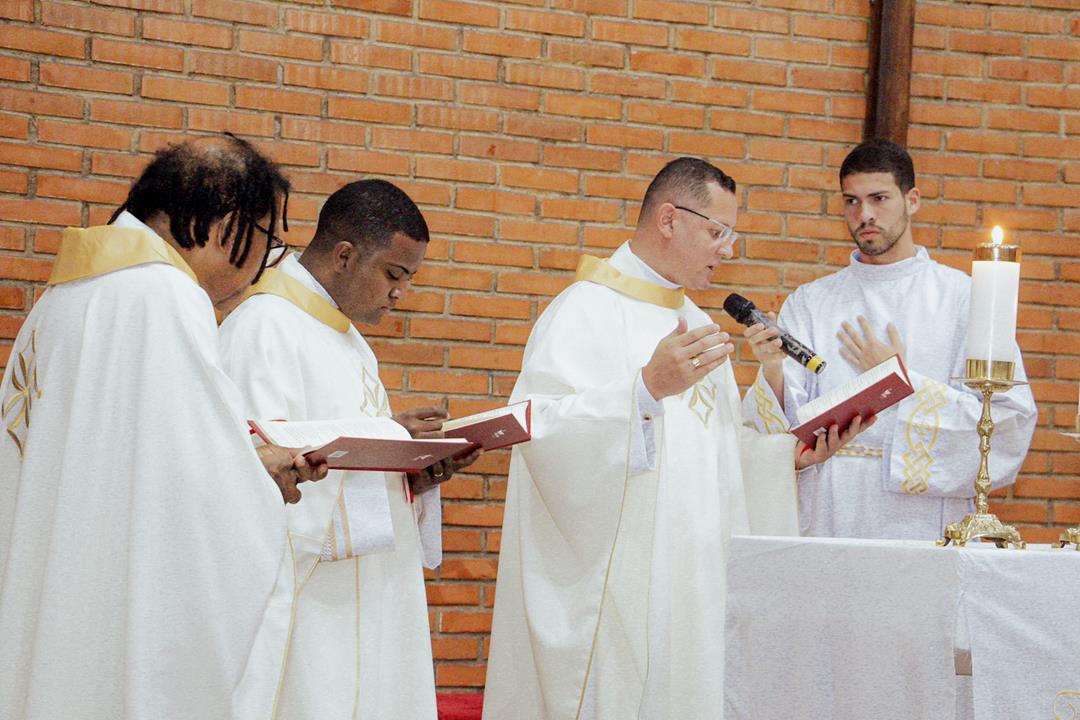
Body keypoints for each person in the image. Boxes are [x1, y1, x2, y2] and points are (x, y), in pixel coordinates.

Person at [482, 157, 867, 720]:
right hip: (628, 596)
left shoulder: (697, 325)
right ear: (669, 220)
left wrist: (789, 457)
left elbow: (718, 456)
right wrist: (642, 392)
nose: (728, 249)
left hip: (695, 587)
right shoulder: (584, 311)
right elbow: (540, 434)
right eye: (718, 232)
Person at [0, 135, 325, 720]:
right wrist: (260, 479)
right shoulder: (165, 295)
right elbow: (199, 501)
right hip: (107, 599)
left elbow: (133, 457)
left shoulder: (68, 294)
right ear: (226, 224)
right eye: (269, 239)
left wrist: (243, 463)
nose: (265, 261)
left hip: (56, 577)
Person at [219, 178, 479, 720]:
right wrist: (387, 439)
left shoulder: (348, 338)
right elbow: (253, 471)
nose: (400, 293)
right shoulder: (264, 327)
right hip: (310, 603)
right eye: (394, 274)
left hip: (364, 592)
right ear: (344, 255)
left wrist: (411, 473)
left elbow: (344, 455)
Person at [742, 138, 1037, 539]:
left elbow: (1009, 422)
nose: (864, 214)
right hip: (830, 509)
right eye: (851, 201)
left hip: (922, 522)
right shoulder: (811, 301)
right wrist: (773, 370)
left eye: (879, 198)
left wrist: (900, 382)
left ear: (912, 200)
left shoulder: (964, 298)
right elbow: (780, 435)